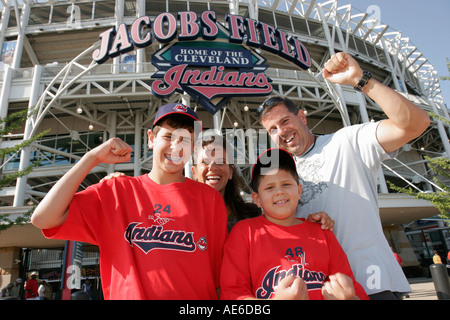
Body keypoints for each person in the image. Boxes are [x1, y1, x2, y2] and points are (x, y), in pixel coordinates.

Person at [257, 52, 430, 299]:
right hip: (319, 289)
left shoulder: (347, 141)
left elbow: (416, 124)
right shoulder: (283, 176)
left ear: (303, 117)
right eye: (272, 129)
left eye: (285, 121)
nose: (281, 131)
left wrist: (361, 79)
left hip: (372, 282)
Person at [31, 103, 228, 300]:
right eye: (168, 137)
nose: (176, 147)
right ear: (151, 139)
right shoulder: (116, 192)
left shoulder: (210, 200)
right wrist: (92, 158)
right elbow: (43, 218)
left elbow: (219, 279)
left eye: (185, 140)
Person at [220, 148, 368, 300]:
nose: (279, 192)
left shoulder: (322, 232)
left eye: (286, 184)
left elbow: (351, 287)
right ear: (257, 199)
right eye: (269, 187)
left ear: (299, 190)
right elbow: (234, 294)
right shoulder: (245, 232)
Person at [191, 133, 335, 231]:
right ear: (194, 172)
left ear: (230, 172)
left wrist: (310, 226)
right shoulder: (181, 216)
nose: (213, 167)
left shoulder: (250, 215)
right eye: (205, 162)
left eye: (221, 162)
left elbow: (281, 228)